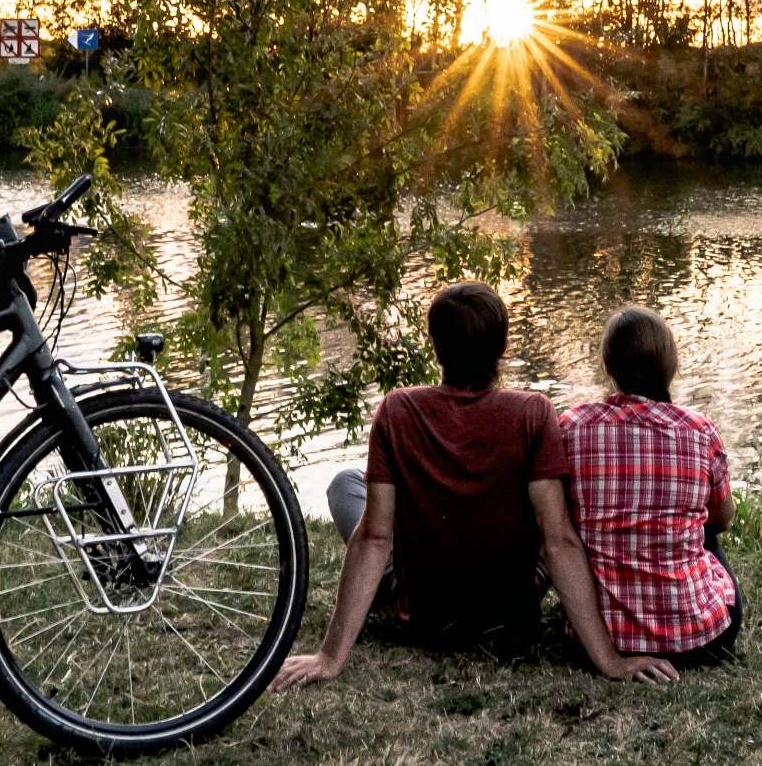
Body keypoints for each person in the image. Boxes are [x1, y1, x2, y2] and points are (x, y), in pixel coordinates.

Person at [270, 282, 676, 690]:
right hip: (510, 614)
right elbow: (559, 542)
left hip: (424, 614)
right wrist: (609, 660)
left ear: (437, 347)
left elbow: (374, 538)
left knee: (345, 483)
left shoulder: (397, 409)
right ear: (501, 348)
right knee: (556, 515)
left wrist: (330, 657)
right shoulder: (533, 412)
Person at [557, 306, 741, 667]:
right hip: (700, 639)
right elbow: (723, 518)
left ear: (609, 367)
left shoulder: (571, 426)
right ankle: (687, 601)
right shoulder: (698, 430)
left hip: (601, 639)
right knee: (707, 530)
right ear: (670, 365)